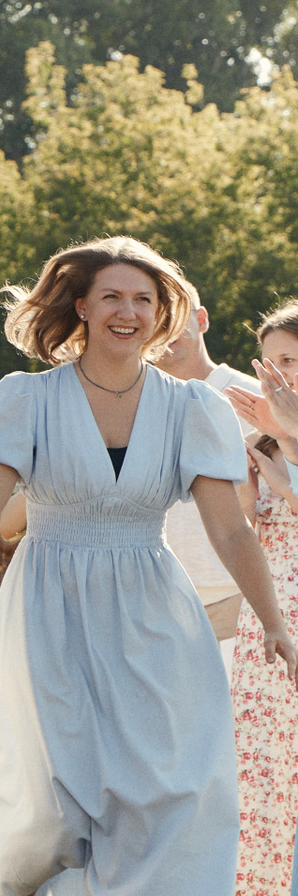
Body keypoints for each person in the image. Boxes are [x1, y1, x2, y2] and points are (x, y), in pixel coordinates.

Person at [0, 238, 296, 896]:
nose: (128, 311)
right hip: (49, 598)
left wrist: (276, 624)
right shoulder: (27, 398)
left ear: (163, 312)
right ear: (80, 305)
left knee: (145, 793)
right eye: (112, 296)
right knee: (60, 792)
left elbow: (230, 528)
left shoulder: (193, 408)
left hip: (150, 604)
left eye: (143, 299)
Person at [221, 304, 298, 896]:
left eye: (293, 362)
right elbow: (244, 528)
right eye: (271, 363)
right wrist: (253, 477)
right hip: (269, 629)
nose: (280, 376)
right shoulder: (257, 446)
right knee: (271, 786)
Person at [156, 284, 258, 670]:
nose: (165, 333)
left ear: (201, 320)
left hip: (237, 600)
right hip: (158, 602)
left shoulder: (252, 397)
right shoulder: (135, 404)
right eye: (156, 323)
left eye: (175, 320)